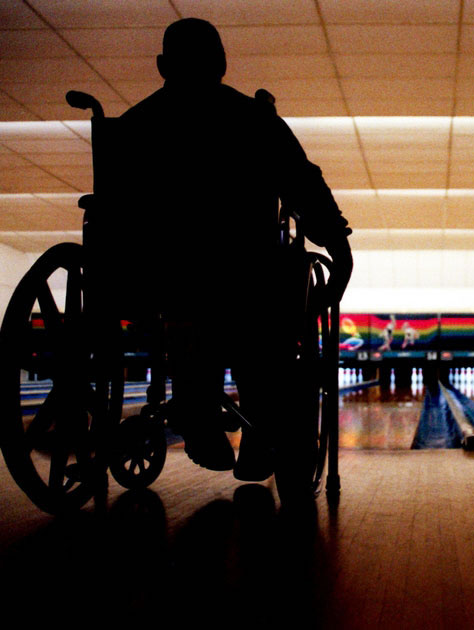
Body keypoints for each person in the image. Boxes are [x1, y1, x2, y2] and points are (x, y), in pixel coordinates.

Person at [112, 18, 352, 485]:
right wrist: (338, 243)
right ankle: (262, 429)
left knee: (186, 310)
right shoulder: (255, 119)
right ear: (223, 64)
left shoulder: (130, 129)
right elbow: (303, 185)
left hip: (160, 284)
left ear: (162, 66)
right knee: (262, 335)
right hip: (249, 281)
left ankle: (197, 413)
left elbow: (111, 213)